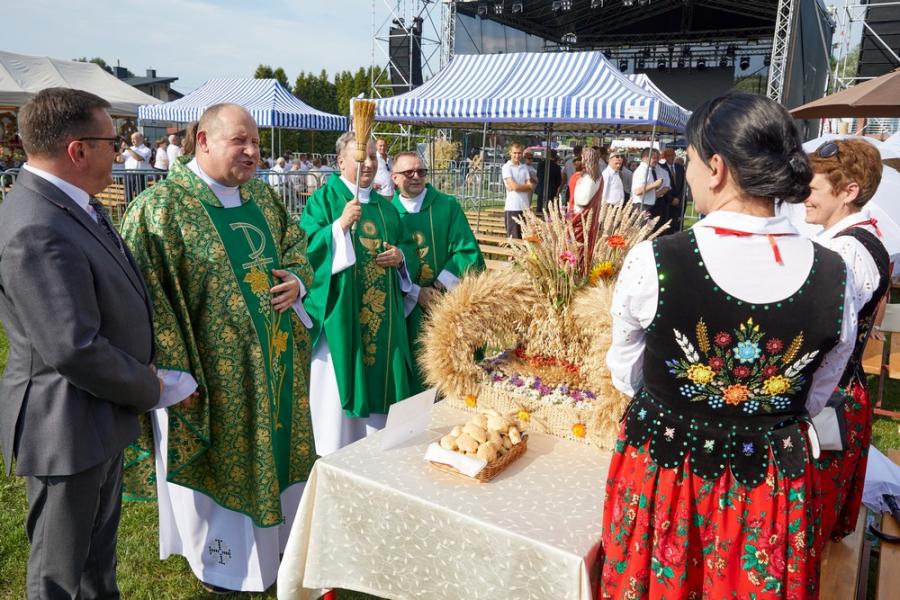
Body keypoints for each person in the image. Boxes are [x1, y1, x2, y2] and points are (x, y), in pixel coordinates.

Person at [600, 92, 857, 598]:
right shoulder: (835, 273)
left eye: (691, 160)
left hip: (666, 476)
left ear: (715, 168)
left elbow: (627, 375)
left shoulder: (655, 261)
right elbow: (816, 394)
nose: (690, 173)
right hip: (768, 489)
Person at [120, 103, 317, 593]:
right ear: (203, 140)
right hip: (206, 379)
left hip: (274, 366)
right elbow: (145, 301)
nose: (252, 152)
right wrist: (174, 377)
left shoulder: (262, 196)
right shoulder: (160, 209)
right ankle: (223, 565)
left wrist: (297, 280)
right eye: (240, 141)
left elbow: (296, 246)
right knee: (221, 467)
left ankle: (279, 550)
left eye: (256, 142)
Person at [0, 87, 160, 597]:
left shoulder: (71, 204)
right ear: (78, 150)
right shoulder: (36, 224)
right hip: (65, 425)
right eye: (112, 143)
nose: (120, 152)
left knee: (95, 565)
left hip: (95, 415)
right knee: (59, 574)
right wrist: (151, 387)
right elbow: (72, 346)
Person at [300, 132, 419, 456]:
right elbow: (305, 251)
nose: (368, 163)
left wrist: (401, 258)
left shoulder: (386, 208)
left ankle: (376, 454)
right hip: (342, 319)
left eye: (373, 157)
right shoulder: (324, 200)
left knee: (379, 419)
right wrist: (338, 227)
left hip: (384, 323)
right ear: (340, 161)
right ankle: (333, 454)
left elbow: (407, 247)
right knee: (336, 412)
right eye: (360, 156)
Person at [804, 139, 890, 550]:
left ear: (849, 191)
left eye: (813, 189)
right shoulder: (856, 238)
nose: (804, 197)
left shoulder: (846, 251)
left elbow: (824, 337)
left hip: (829, 400)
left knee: (809, 526)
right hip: (839, 395)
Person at [390, 151, 485, 391]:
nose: (416, 176)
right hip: (405, 307)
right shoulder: (386, 213)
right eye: (409, 172)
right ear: (394, 177)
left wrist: (437, 287)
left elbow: (467, 251)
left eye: (421, 171)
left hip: (446, 301)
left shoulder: (447, 206)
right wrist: (416, 292)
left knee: (450, 372)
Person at [502, 143, 533, 239]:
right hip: (512, 208)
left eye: (519, 153)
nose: (517, 155)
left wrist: (517, 187)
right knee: (514, 240)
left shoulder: (524, 167)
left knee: (526, 240)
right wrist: (524, 186)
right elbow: (514, 186)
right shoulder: (506, 167)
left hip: (525, 208)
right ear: (510, 153)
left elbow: (530, 186)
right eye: (515, 153)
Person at [630, 147, 668, 220]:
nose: (656, 160)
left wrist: (655, 187)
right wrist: (655, 184)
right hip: (642, 206)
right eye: (654, 158)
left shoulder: (648, 170)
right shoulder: (642, 171)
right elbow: (637, 191)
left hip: (647, 206)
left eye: (657, 158)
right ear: (645, 158)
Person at [121, 131, 152, 202]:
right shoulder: (129, 148)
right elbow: (120, 160)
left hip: (140, 175)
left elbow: (138, 158)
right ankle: (128, 208)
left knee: (140, 197)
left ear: (141, 139)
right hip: (128, 175)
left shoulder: (146, 150)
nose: (132, 140)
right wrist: (120, 150)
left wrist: (128, 148)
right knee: (128, 197)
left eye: (134, 138)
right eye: (131, 139)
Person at [535, 149, 563, 214]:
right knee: (549, 210)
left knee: (539, 208)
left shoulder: (540, 164)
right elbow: (558, 181)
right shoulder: (557, 167)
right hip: (551, 191)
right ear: (555, 156)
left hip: (541, 189)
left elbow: (538, 176)